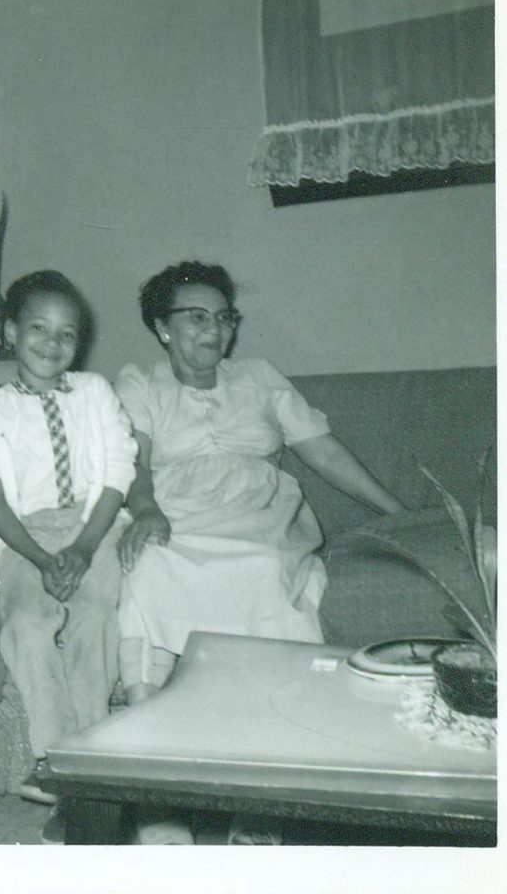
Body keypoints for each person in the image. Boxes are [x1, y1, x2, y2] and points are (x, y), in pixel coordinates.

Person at [115, 260, 406, 844]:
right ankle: (155, 795)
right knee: (149, 564)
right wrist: (145, 509)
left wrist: (399, 514)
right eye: (196, 316)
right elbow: (135, 462)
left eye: (224, 317)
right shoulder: (140, 385)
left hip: (257, 511)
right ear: (161, 327)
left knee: (266, 569)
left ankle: (261, 807)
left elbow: (324, 453)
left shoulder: (259, 377)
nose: (214, 330)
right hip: (176, 509)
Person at [0, 270, 136, 843]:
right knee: (29, 625)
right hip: (24, 535)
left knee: (93, 618)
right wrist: (39, 558)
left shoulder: (96, 393)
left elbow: (116, 475)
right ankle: (57, 759)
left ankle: (95, 759)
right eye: (39, 328)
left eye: (67, 333)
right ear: (12, 331)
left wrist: (84, 548)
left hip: (94, 523)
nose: (52, 343)